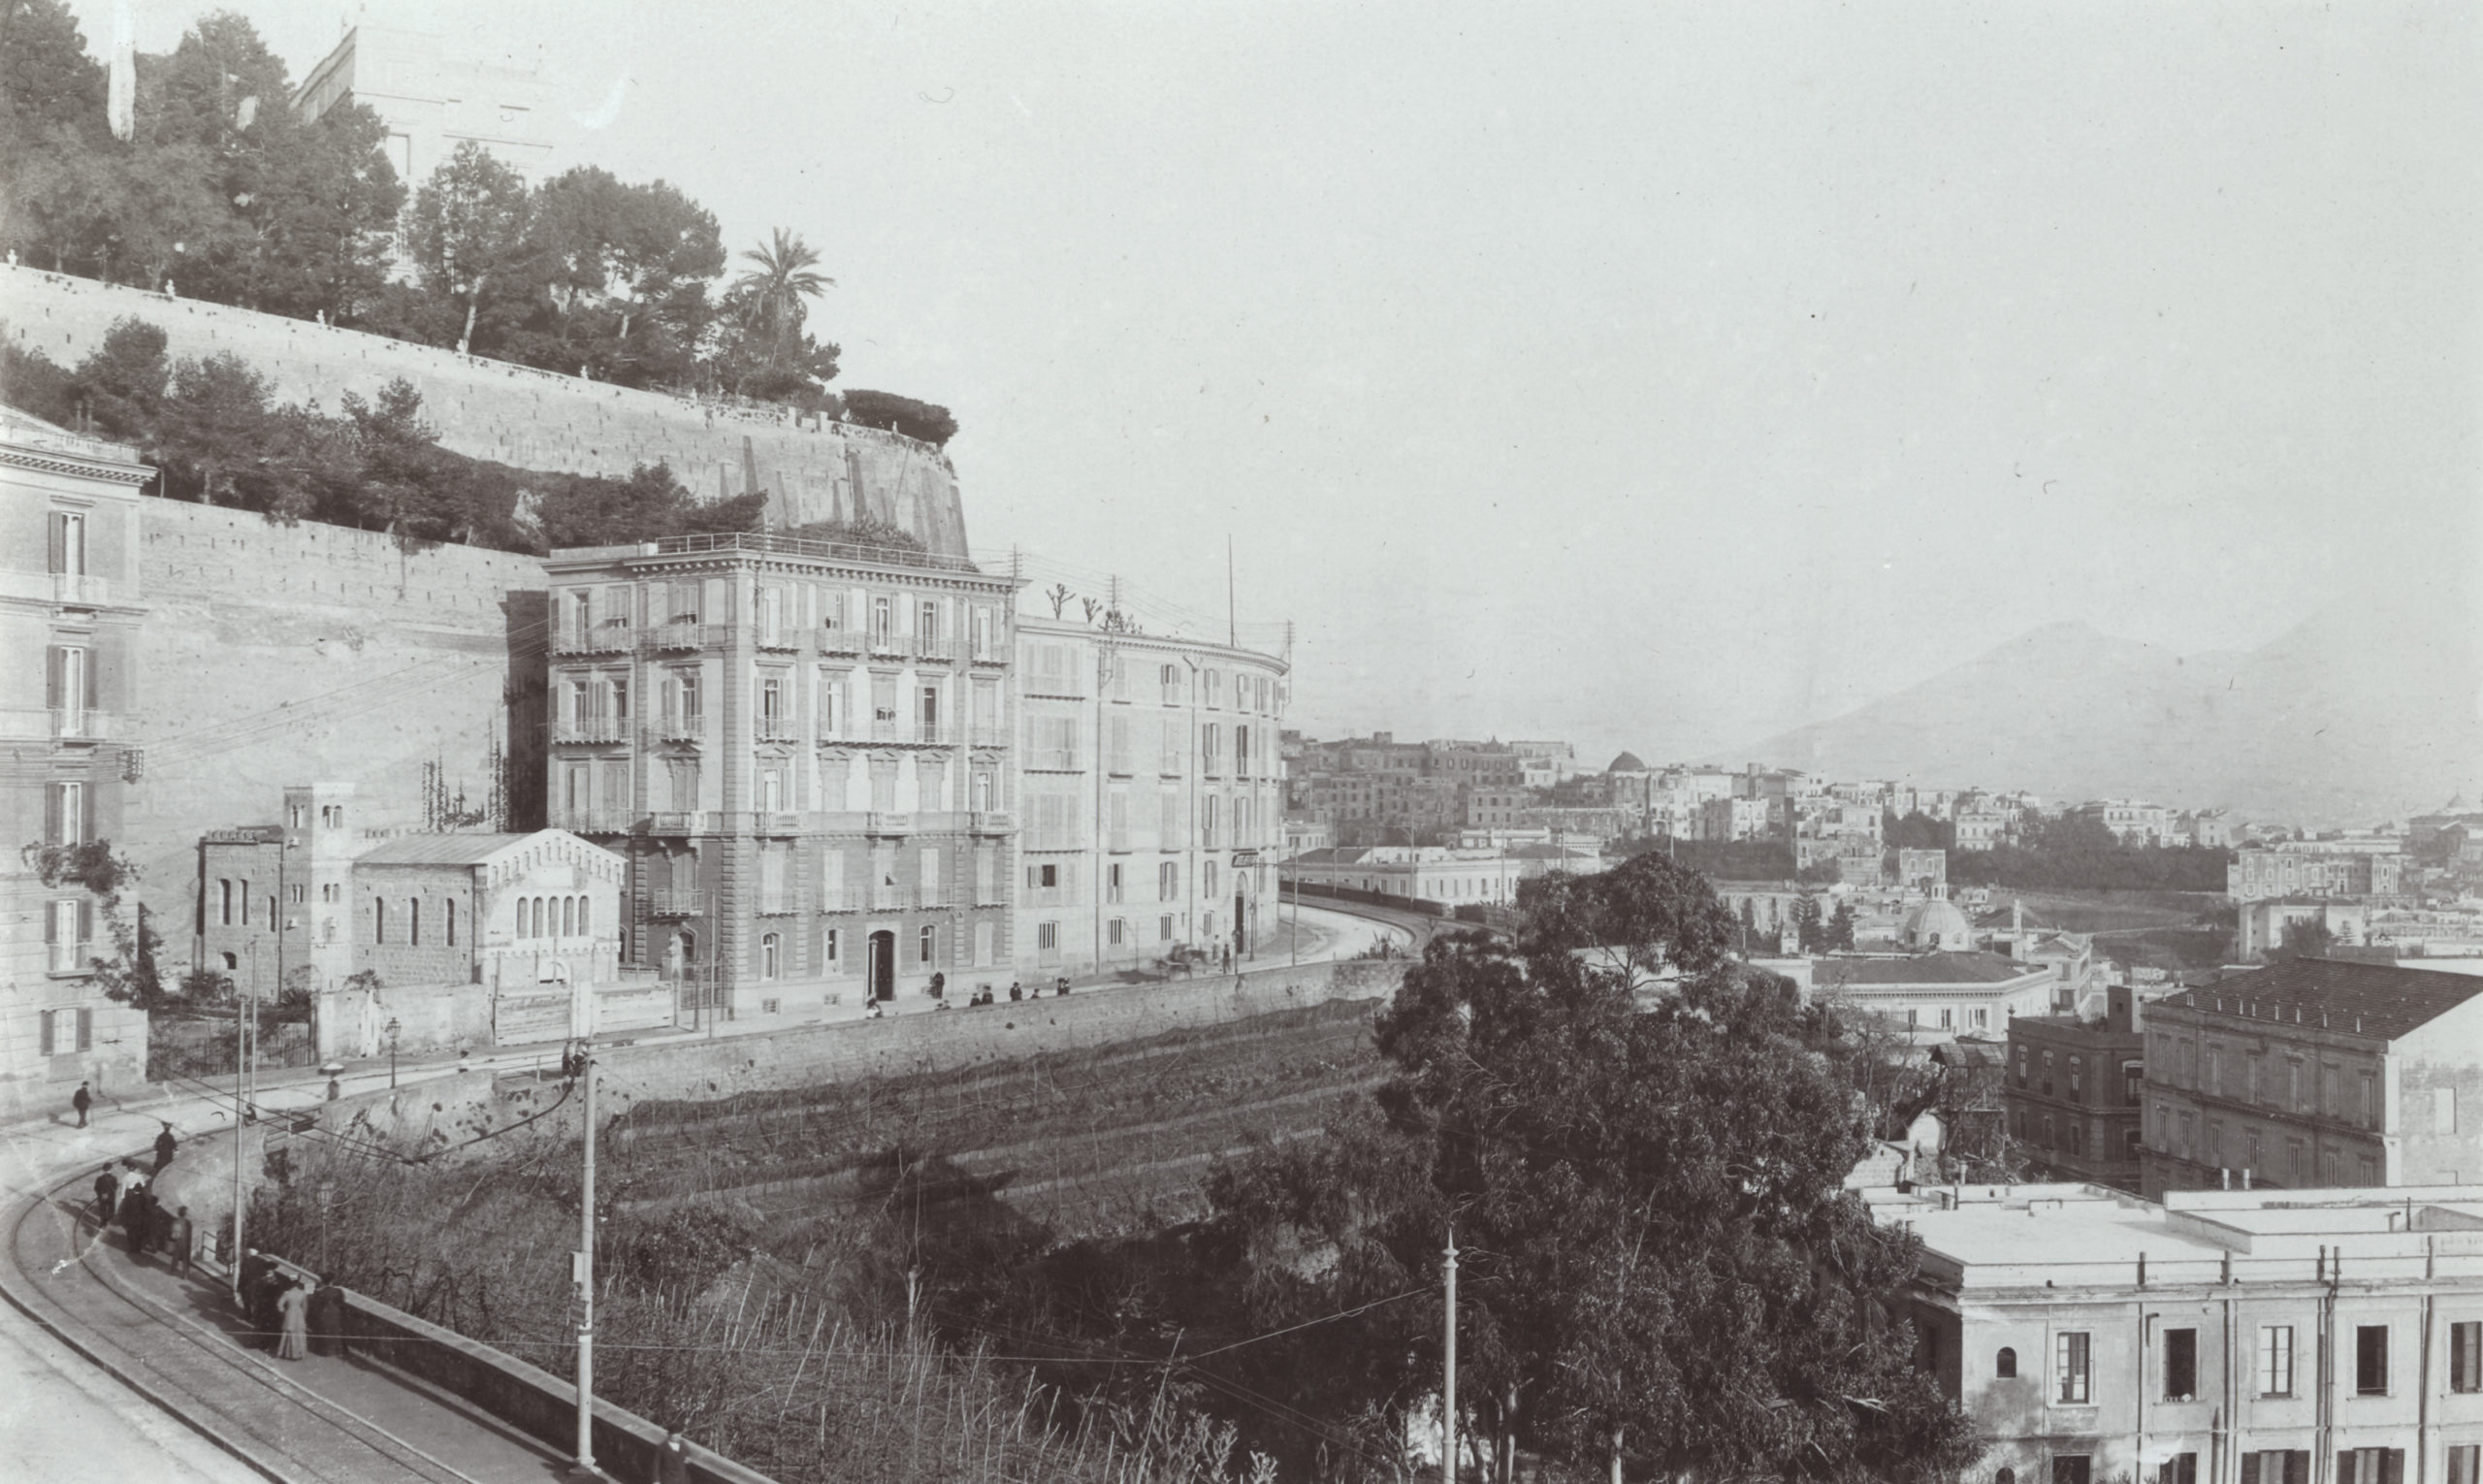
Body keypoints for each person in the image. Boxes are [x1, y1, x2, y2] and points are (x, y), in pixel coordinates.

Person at [307, 1279, 347, 1358]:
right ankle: (337, 1351)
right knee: (335, 1330)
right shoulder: (339, 1291)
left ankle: (325, 1351)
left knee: (324, 1329)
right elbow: (342, 1302)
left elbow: (317, 1302)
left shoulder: (322, 1291)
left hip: (325, 1311)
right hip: (336, 1311)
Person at [275, 1278, 309, 1361]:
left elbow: (279, 1304)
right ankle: (298, 1353)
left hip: (290, 1312)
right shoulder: (303, 1293)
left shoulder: (287, 1293)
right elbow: (305, 1307)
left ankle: (287, 1353)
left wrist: (283, 1312)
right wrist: (303, 1317)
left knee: (289, 1331)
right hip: (299, 1313)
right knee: (299, 1331)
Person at [167, 1206, 194, 1279]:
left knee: (176, 1256)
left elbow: (173, 1233)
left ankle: (172, 1270)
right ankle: (185, 1274)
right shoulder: (188, 1223)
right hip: (186, 1242)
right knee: (185, 1259)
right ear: (185, 1214)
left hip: (178, 1241)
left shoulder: (176, 1221)